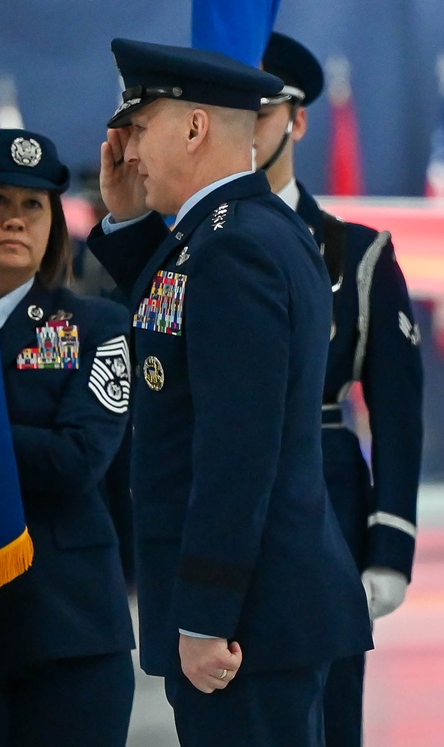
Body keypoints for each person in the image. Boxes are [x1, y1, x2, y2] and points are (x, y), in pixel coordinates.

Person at [86, 39, 373, 746]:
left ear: (193, 128)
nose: (127, 152)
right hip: (262, 604)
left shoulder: (232, 246)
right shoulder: (238, 232)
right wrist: (125, 223)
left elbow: (237, 445)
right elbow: (177, 337)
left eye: (140, 128)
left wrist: (208, 614)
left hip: (246, 618)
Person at [0, 128, 136, 746]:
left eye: (33, 206)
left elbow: (77, 460)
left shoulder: (95, 325)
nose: (16, 221)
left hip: (68, 633)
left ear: (53, 225)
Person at [257, 32, 424, 747]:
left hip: (322, 498)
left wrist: (389, 546)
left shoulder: (357, 253)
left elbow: (398, 412)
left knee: (324, 717)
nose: (241, 129)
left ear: (297, 120)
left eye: (259, 112)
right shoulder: (185, 247)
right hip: (215, 510)